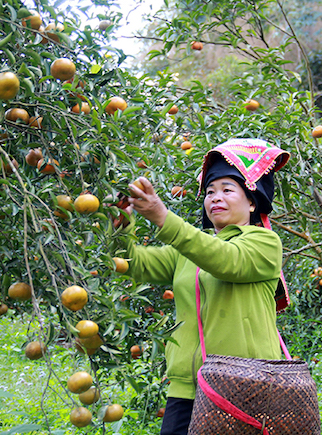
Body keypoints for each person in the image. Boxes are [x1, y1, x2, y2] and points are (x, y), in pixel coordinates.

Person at [116, 138, 290, 435]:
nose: (215, 198)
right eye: (210, 192)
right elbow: (134, 264)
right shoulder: (189, 249)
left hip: (244, 384)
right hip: (187, 388)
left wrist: (163, 218)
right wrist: (120, 222)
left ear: (251, 201)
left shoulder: (265, 243)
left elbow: (225, 261)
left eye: (226, 189)